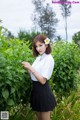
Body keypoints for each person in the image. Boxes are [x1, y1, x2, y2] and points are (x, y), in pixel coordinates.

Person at [22, 34, 57, 120]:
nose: (38, 48)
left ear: (46, 44)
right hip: (36, 91)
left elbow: (42, 80)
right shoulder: (38, 59)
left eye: (40, 45)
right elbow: (33, 74)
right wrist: (27, 68)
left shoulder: (49, 59)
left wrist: (30, 67)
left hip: (43, 92)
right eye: (36, 46)